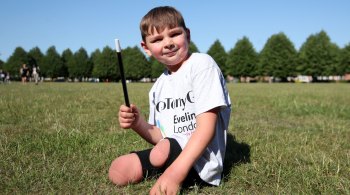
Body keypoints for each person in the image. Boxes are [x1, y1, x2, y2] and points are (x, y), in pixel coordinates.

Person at [108, 6, 231, 194]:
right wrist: (137, 123)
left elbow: (206, 129)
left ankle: (171, 169)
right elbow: (161, 135)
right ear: (146, 48)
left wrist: (173, 176)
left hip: (202, 162)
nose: (168, 43)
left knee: (163, 149)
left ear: (187, 35)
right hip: (171, 150)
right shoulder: (157, 87)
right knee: (118, 171)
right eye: (157, 39)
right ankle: (162, 164)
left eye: (174, 34)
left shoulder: (202, 65)